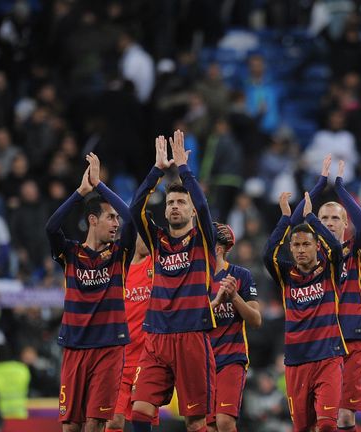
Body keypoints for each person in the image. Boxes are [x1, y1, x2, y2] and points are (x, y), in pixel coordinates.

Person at [129, 131, 217, 432]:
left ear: (192, 209)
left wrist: (184, 170)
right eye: (170, 203)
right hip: (155, 337)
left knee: (195, 423)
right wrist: (157, 170)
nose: (175, 206)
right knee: (139, 411)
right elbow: (135, 209)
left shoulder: (202, 240)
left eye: (181, 202)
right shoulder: (158, 241)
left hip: (192, 334)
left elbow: (206, 209)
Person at [45, 153, 135, 432]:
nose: (116, 223)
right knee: (71, 426)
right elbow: (51, 227)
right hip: (74, 345)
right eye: (110, 217)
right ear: (93, 220)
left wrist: (100, 185)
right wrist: (81, 192)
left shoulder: (120, 255)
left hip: (109, 347)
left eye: (116, 218)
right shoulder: (70, 253)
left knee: (96, 423)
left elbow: (132, 219)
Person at [290, 155, 361, 431]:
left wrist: (339, 189)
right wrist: (319, 185)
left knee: (346, 417)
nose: (329, 222)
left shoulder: (355, 252)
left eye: (335, 218)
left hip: (350, 339)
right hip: (318, 344)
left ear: (344, 223)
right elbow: (294, 220)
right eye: (323, 217)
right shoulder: (311, 258)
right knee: (319, 421)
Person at [263, 191, 346, 432]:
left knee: (328, 425)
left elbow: (335, 247)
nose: (301, 250)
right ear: (290, 248)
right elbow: (268, 254)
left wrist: (311, 217)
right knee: (302, 428)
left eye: (306, 244)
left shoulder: (330, 269)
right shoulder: (286, 275)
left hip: (328, 358)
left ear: (316, 245)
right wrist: (286, 219)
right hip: (296, 361)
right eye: (296, 245)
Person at [206, 222, 261, 432]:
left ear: (218, 249)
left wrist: (234, 296)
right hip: (202, 360)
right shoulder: (195, 279)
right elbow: (190, 320)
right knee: (208, 426)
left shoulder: (241, 275)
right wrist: (216, 303)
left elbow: (256, 320)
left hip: (232, 357)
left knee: (225, 422)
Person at [106, 237, 157, 432]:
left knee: (141, 417)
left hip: (147, 358)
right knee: (113, 420)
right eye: (143, 236)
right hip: (120, 357)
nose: (148, 240)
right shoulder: (118, 270)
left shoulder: (156, 265)